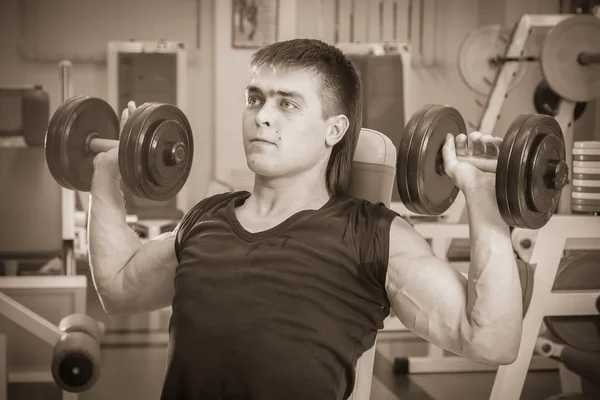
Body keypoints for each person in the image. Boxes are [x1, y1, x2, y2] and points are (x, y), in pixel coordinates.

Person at [88, 38, 523, 400]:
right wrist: (108, 169)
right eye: (254, 99)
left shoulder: (371, 235)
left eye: (288, 104)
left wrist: (480, 192)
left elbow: (490, 340)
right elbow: (120, 286)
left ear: (334, 130)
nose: (262, 115)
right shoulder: (205, 219)